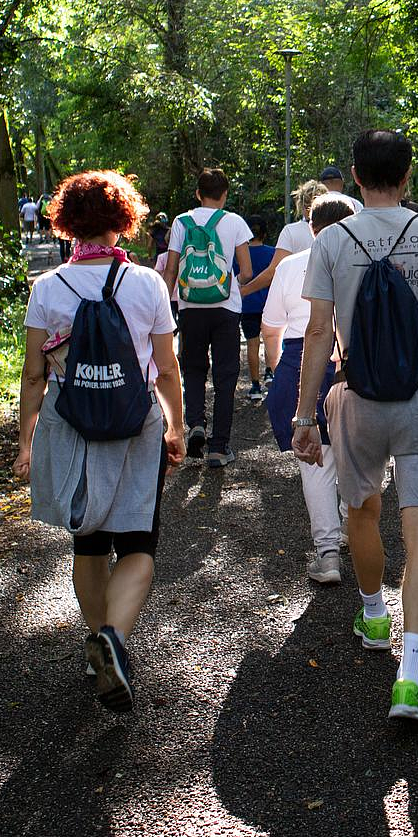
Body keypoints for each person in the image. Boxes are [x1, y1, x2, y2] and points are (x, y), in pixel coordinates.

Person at [293, 129, 418, 723]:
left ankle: (374, 614)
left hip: (357, 396)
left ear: (352, 175)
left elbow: (319, 334)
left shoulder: (330, 240)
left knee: (362, 511)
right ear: (407, 175)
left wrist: (304, 415)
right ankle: (411, 677)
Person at [14, 170, 184, 712]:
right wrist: (176, 426)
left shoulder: (48, 287)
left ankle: (98, 648)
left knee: (87, 543)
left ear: (65, 222)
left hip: (72, 426)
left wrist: (26, 441)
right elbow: (167, 368)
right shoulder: (146, 283)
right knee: (137, 544)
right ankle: (113, 636)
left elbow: (34, 375)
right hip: (134, 425)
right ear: (122, 219)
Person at [263, 194, 357, 585]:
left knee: (315, 463)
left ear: (310, 227)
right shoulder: (363, 263)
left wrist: (276, 370)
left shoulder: (291, 266)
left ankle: (328, 552)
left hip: (301, 361)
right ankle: (355, 527)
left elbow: (271, 328)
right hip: (353, 364)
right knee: (355, 455)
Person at [161, 168, 255, 468]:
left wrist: (163, 308)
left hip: (190, 308)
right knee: (226, 376)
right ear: (225, 194)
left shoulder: (181, 222)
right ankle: (219, 447)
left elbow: (171, 270)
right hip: (226, 308)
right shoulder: (235, 222)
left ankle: (196, 423)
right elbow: (248, 271)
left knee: (192, 368)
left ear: (197, 194)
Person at [240, 216, 276, 405]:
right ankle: (270, 373)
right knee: (271, 340)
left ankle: (255, 387)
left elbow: (240, 278)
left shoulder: (240, 254)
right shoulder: (272, 253)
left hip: (248, 305)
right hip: (269, 304)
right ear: (264, 232)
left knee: (252, 345)